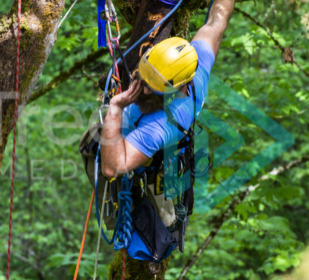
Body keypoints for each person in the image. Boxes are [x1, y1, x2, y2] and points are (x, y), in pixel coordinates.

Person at [100, 0, 236, 231]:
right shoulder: (195, 64)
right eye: (143, 79)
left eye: (150, 88)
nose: (140, 89)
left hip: (143, 162)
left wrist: (115, 107)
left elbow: (112, 167)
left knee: (94, 146)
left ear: (176, 89)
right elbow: (217, 21)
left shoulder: (160, 125)